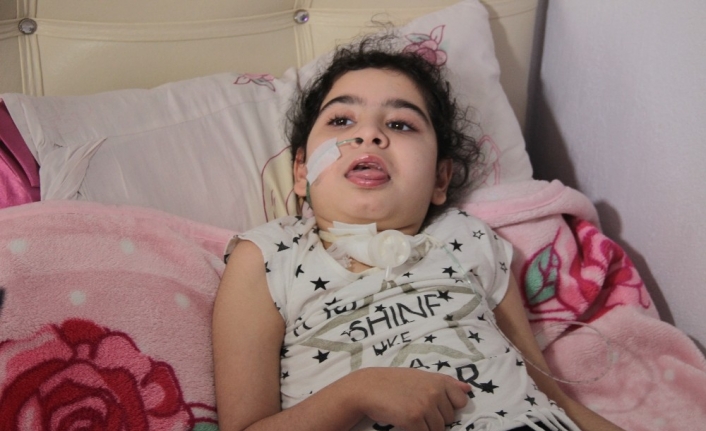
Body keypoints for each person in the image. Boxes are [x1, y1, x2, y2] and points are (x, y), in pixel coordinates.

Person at [212, 35, 625, 431]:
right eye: (341, 120)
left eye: (401, 124)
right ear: (302, 171)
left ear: (440, 179)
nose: (369, 134)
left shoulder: (466, 237)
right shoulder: (269, 255)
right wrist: (354, 394)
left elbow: (550, 394)